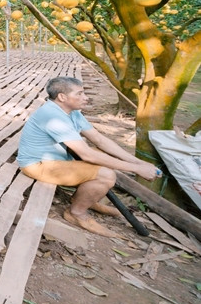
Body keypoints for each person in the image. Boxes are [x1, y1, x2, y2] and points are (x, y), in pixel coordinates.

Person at [17, 76, 160, 238]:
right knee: (106, 174)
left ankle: (86, 200)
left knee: (101, 157)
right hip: (38, 165)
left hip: (57, 161)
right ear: (62, 97)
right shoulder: (53, 116)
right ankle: (76, 213)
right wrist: (136, 169)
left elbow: (99, 139)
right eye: (79, 93)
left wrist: (138, 162)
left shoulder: (71, 112)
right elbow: (86, 154)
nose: (85, 97)